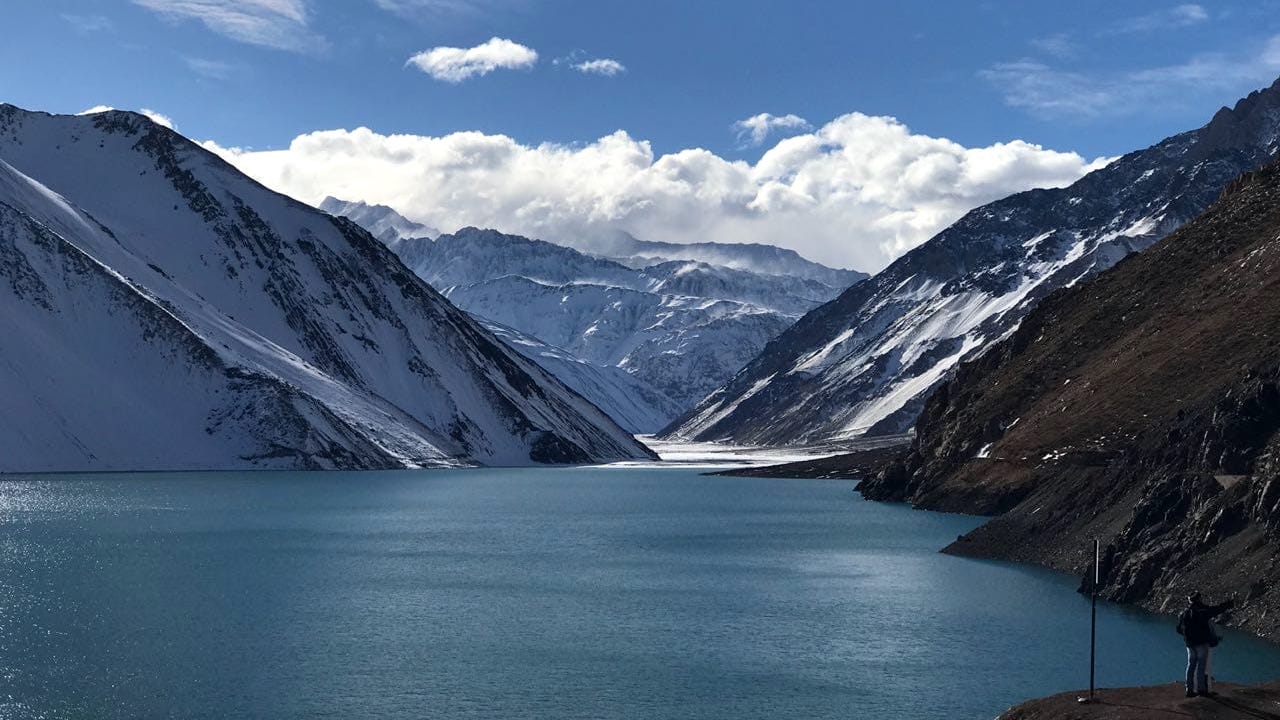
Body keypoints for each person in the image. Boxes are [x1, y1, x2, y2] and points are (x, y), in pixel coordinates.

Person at [1176, 591, 1235, 697]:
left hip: (1189, 644)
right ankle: (1201, 690)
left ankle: (1189, 690)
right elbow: (1216, 610)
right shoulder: (1203, 611)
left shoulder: (1184, 613)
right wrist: (1230, 603)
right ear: (1199, 599)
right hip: (1202, 643)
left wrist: (1187, 637)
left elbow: (1179, 629)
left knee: (1191, 665)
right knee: (1201, 666)